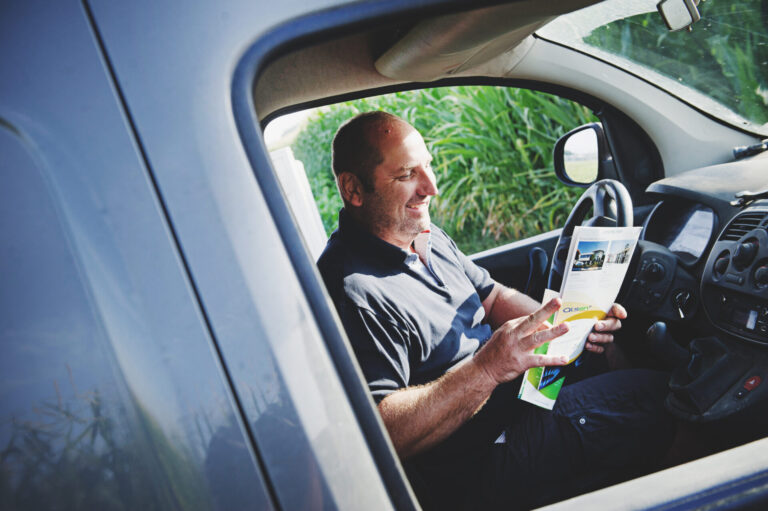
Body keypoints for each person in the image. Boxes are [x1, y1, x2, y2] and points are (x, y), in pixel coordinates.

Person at [317, 111, 675, 510]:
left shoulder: (423, 235)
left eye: (428, 168)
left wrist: (561, 322)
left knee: (611, 358)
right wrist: (487, 369)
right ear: (353, 189)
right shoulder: (352, 291)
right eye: (405, 176)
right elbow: (381, 433)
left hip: (520, 394)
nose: (430, 188)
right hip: (483, 456)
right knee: (665, 395)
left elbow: (490, 297)